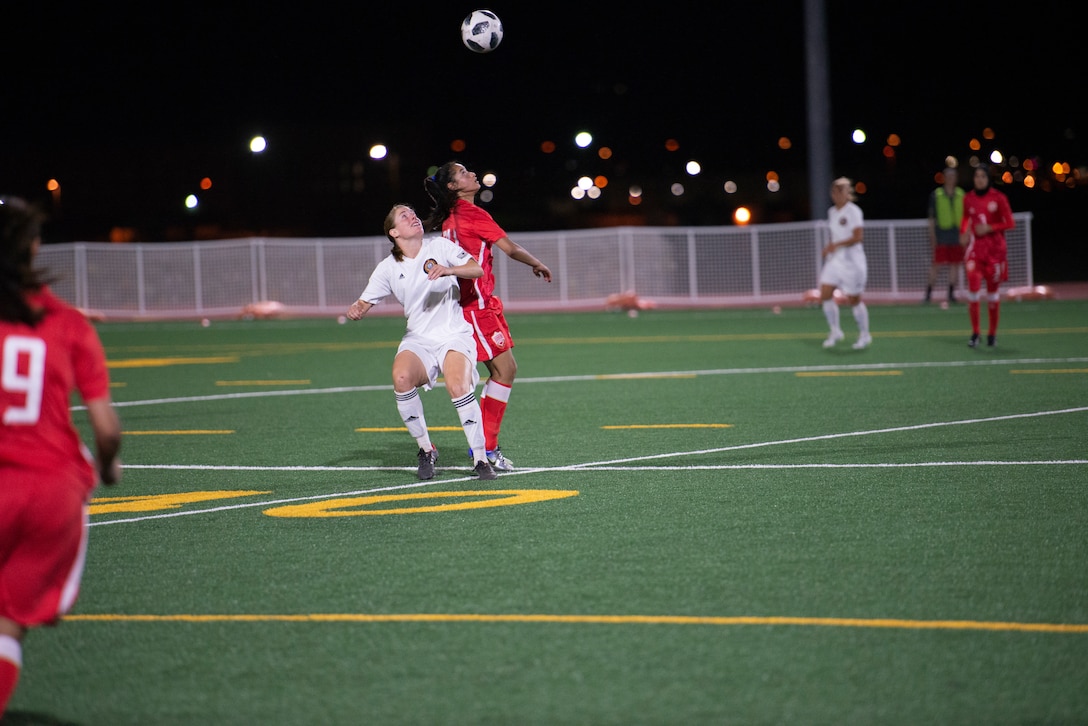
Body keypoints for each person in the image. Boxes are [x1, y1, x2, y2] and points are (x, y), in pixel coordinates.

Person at [0, 196, 122, 717]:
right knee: (7, 625)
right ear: (32, 247)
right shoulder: (67, 323)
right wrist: (108, 464)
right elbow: (106, 428)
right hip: (52, 488)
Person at [346, 203, 497, 481]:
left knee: (458, 385)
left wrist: (449, 270)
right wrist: (357, 308)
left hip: (453, 334)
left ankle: (479, 458)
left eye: (413, 213)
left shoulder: (439, 246)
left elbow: (476, 269)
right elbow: (365, 301)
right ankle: (426, 450)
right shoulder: (388, 267)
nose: (413, 217)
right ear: (394, 232)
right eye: (405, 216)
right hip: (418, 338)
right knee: (401, 377)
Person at [423, 162, 553, 471]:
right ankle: (485, 448)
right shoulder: (472, 215)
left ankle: (483, 445)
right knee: (504, 370)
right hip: (476, 306)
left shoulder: (449, 219)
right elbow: (509, 248)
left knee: (500, 371)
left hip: (470, 305)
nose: (473, 174)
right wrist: (536, 262)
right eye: (464, 173)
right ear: (454, 187)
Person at [960, 164, 1014, 348]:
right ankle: (975, 332)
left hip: (995, 253)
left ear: (988, 179)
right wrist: (964, 232)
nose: (979, 179)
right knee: (973, 290)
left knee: (992, 294)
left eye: (983, 176)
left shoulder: (998, 198)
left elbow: (1010, 222)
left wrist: (990, 228)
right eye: (976, 176)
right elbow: (966, 218)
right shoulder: (968, 199)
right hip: (975, 252)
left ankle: (992, 334)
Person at [818, 177, 871, 350]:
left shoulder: (854, 211)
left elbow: (858, 237)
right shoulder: (832, 212)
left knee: (854, 300)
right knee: (825, 293)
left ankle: (864, 335)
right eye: (834, 191)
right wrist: (830, 248)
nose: (837, 194)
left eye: (841, 190)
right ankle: (835, 331)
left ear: (848, 193)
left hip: (852, 262)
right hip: (835, 261)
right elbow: (836, 236)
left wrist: (835, 245)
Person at [925, 166, 966, 304]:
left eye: (953, 176)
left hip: (957, 234)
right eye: (948, 176)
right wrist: (932, 237)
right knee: (936, 265)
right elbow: (931, 219)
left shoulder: (961, 194)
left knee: (955, 264)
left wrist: (965, 234)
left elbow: (967, 216)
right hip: (941, 234)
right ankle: (928, 294)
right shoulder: (936, 195)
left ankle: (951, 294)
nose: (950, 179)